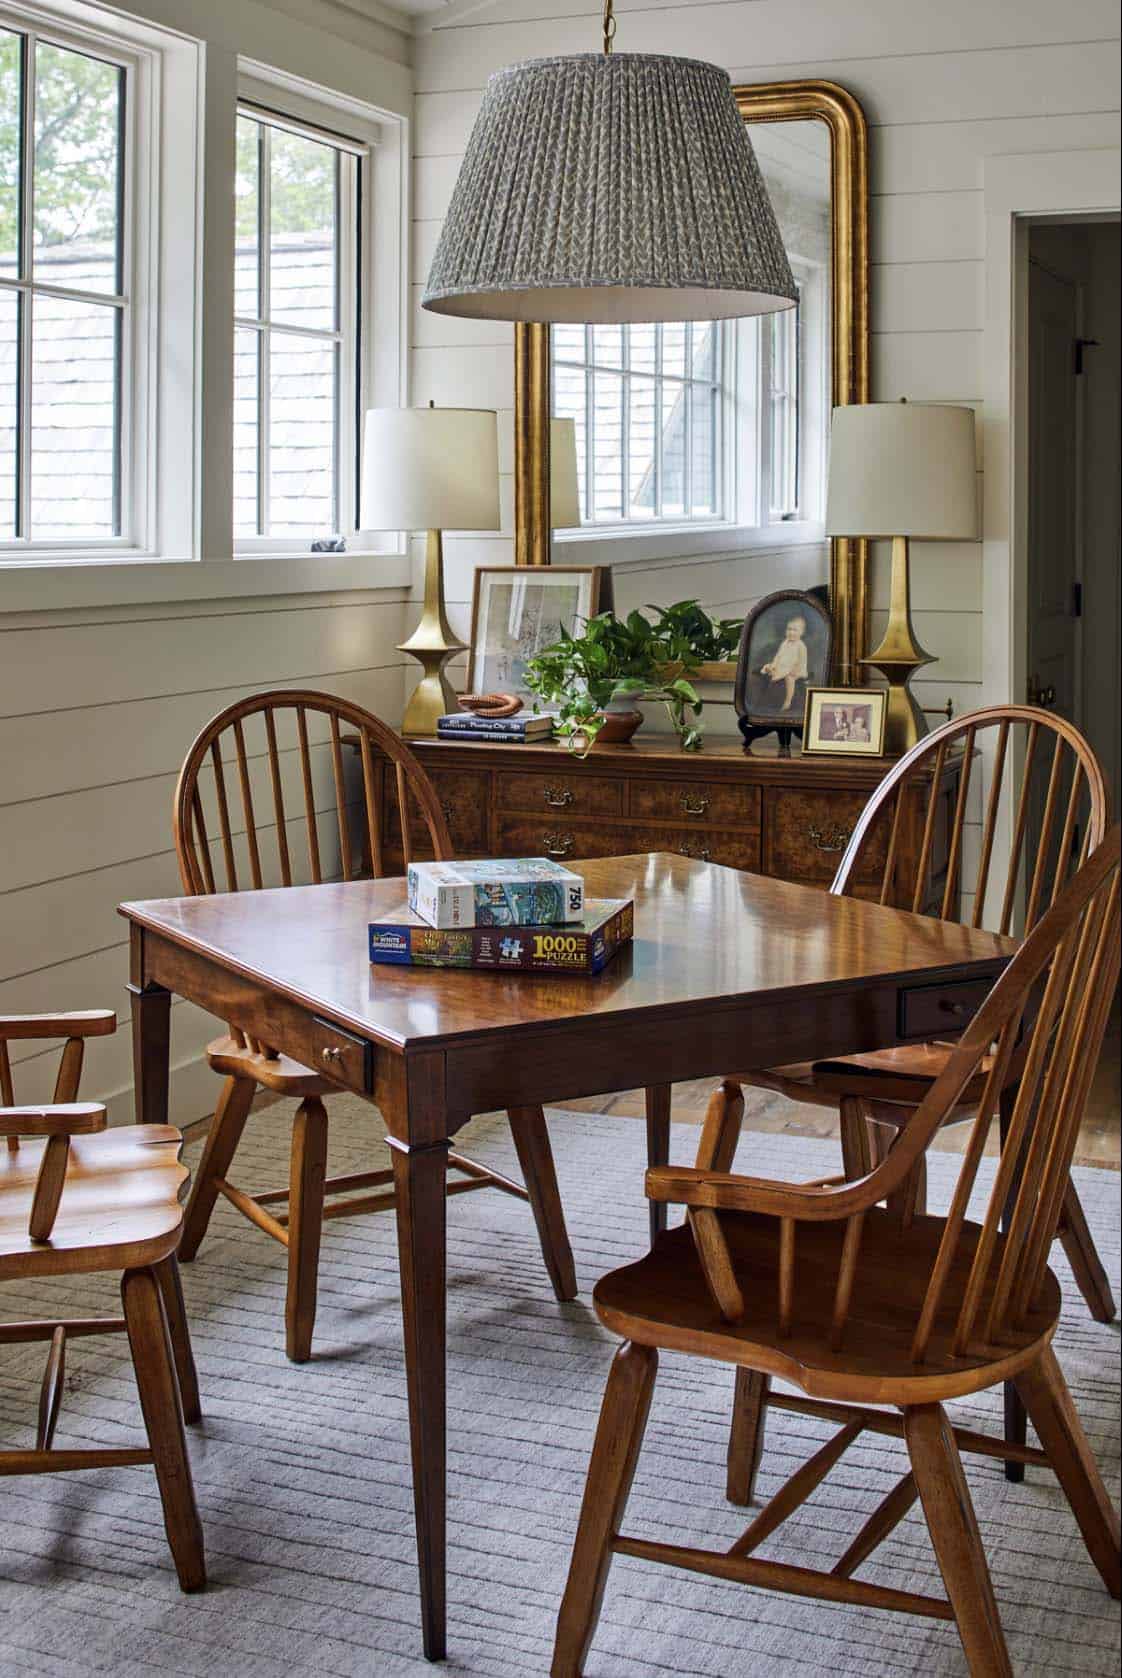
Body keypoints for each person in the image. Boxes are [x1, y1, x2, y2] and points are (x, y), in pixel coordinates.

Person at [759, 616, 809, 712]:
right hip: (784, 666)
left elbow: (802, 661)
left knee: (789, 677)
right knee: (768, 666)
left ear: (801, 632)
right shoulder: (785, 643)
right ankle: (772, 674)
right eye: (789, 629)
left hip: (796, 669)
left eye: (795, 630)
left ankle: (788, 701)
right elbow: (778, 656)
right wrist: (773, 665)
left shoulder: (801, 645)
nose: (791, 632)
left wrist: (795, 669)